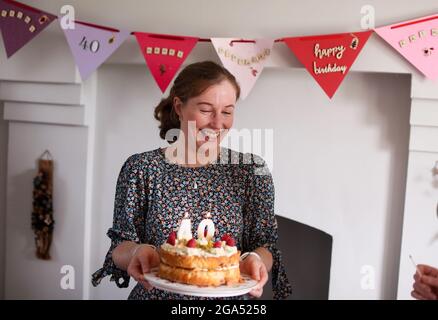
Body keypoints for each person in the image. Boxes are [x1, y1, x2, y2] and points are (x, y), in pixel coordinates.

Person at [92, 60, 292, 300]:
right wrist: (136, 251)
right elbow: (119, 247)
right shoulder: (142, 168)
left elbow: (266, 245)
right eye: (206, 110)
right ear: (178, 106)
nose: (218, 123)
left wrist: (256, 260)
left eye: (227, 111)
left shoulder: (251, 171)